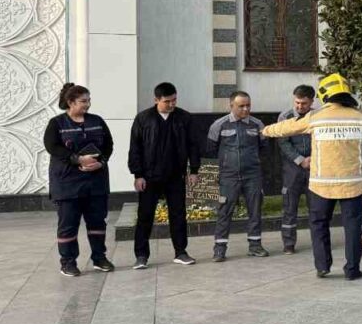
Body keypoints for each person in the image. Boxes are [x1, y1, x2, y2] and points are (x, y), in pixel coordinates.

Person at [264, 73, 362, 279]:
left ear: (324, 94)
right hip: (353, 184)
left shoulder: (316, 117)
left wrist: (265, 130)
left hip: (322, 185)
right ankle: (352, 270)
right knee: (353, 226)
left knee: (319, 224)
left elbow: (288, 127)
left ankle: (322, 266)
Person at [128, 82, 201, 269]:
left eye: (174, 100)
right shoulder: (143, 119)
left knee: (178, 214)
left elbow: (194, 145)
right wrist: (138, 174)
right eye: (167, 101)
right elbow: (135, 148)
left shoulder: (184, 118)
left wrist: (193, 171)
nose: (171, 104)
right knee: (145, 216)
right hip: (149, 177)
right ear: (156, 100)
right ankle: (141, 255)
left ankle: (181, 252)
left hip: (175, 176)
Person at [44, 83, 114, 277]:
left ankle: (99, 258)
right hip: (67, 184)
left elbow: (108, 144)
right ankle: (68, 262)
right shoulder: (56, 123)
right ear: (70, 102)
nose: (88, 104)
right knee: (69, 224)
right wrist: (77, 159)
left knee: (97, 222)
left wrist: (102, 162)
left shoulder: (97, 121)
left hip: (96, 182)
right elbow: (52, 147)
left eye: (89, 100)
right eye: (83, 101)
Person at [206, 91, 268, 261]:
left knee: (255, 210)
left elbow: (264, 148)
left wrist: (252, 162)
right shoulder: (219, 125)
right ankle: (220, 248)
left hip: (252, 176)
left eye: (248, 105)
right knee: (224, 211)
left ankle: (255, 245)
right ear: (231, 105)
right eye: (241, 106)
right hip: (228, 177)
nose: (246, 109)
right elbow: (210, 150)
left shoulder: (257, 125)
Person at [276, 84, 315, 253]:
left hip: (314, 167)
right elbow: (283, 142)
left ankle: (318, 240)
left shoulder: (318, 116)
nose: (300, 107)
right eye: (297, 102)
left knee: (316, 207)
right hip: (293, 169)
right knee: (289, 207)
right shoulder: (285, 116)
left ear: (312, 101)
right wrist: (300, 160)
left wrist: (313, 159)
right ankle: (289, 244)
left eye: (304, 103)